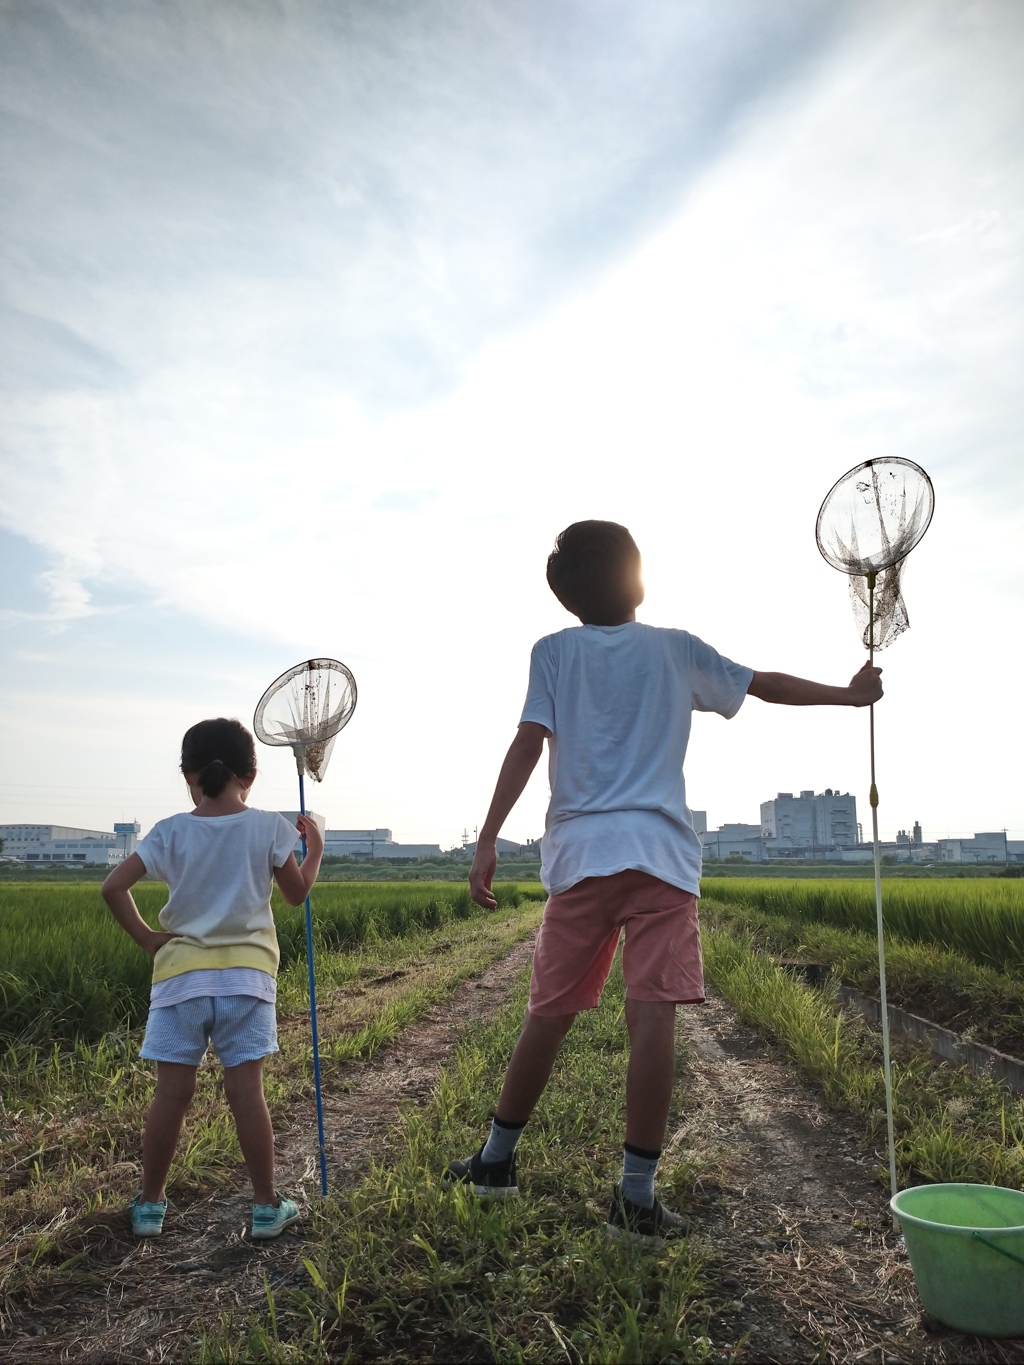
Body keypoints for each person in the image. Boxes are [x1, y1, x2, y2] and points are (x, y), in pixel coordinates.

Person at [446, 520, 882, 1241]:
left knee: (547, 1012)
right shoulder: (674, 648)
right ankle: (635, 1197)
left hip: (581, 857)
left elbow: (527, 740)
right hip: (661, 857)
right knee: (652, 1018)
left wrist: (488, 837)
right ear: (638, 578)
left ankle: (495, 1161)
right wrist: (847, 693)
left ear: (564, 599)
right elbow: (761, 684)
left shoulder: (552, 652)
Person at [101, 717, 324, 1240]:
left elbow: (113, 887)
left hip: (180, 981)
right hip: (247, 981)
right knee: (246, 1094)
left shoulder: (170, 831)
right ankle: (267, 1207)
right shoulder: (269, 826)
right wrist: (313, 854)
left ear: (188, 775)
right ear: (251, 773)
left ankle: (150, 1206)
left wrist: (148, 938)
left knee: (170, 1094)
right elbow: (296, 895)